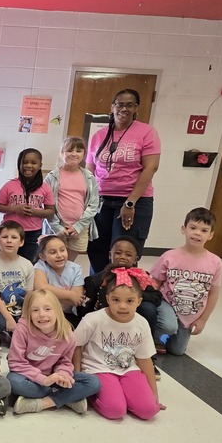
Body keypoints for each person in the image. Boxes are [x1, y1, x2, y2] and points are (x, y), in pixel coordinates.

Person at [86, 89, 161, 273]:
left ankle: (122, 297)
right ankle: (98, 293)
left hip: (134, 201)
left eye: (130, 105)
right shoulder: (99, 135)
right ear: (112, 107)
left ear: (136, 108)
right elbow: (89, 169)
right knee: (96, 250)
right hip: (101, 201)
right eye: (120, 104)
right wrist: (88, 200)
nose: (124, 109)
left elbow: (150, 167)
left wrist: (130, 202)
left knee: (124, 253)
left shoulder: (147, 132)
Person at [73, 269, 163, 420]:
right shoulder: (93, 319)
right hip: (99, 369)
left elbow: (144, 359)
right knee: (116, 410)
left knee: (149, 411)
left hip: (128, 370)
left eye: (129, 301)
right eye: (116, 300)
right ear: (107, 299)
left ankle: (124, 394)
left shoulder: (141, 323)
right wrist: (78, 377)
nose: (122, 306)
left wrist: (154, 395)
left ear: (139, 301)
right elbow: (76, 346)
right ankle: (96, 397)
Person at [7, 289, 100, 414]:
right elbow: (16, 363)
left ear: (57, 310)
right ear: (28, 313)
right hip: (28, 377)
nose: (42, 314)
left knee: (93, 383)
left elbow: (65, 362)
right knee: (13, 382)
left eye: (47, 309)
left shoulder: (68, 335)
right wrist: (44, 380)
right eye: (35, 310)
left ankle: (43, 403)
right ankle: (68, 398)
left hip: (53, 377)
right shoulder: (22, 329)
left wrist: (63, 374)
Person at [151, 208, 222, 357]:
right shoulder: (169, 256)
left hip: (190, 313)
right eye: (193, 228)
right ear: (184, 229)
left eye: (204, 230)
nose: (197, 233)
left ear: (211, 235)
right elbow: (155, 281)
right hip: (167, 304)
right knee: (168, 325)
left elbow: (214, 293)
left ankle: (168, 335)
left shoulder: (215, 262)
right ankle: (154, 338)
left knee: (178, 351)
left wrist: (203, 320)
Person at [42, 136, 99, 261]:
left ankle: (66, 281)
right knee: (52, 262)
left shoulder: (89, 177)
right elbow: (46, 205)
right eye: (69, 150)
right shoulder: (51, 177)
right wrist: (57, 228)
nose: (74, 154)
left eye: (78, 151)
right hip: (55, 228)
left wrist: (78, 226)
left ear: (84, 154)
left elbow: (93, 204)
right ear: (62, 153)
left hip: (80, 228)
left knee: (68, 264)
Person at [0, 148, 54, 262]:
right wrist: (15, 209)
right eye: (25, 162)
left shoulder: (45, 187)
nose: (28, 165)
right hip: (10, 231)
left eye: (33, 163)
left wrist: (35, 211)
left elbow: (50, 211)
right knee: (8, 261)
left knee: (29, 263)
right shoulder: (9, 185)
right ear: (19, 164)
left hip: (33, 233)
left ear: (40, 165)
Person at [0, 221, 34, 345]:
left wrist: (24, 316)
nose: (9, 241)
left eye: (14, 237)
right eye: (5, 237)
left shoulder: (27, 264)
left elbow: (29, 294)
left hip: (21, 307)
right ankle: (3, 333)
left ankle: (16, 333)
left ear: (21, 242)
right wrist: (8, 318)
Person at [33, 235, 85, 327]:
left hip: (67, 314)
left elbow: (76, 300)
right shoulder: (40, 266)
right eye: (53, 252)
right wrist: (70, 294)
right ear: (42, 256)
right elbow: (41, 287)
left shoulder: (76, 269)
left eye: (62, 250)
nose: (59, 255)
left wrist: (49, 296)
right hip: (44, 314)